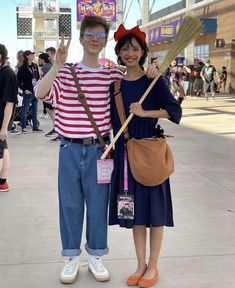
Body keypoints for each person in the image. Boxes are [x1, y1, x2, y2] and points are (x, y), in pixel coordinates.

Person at [35, 15, 158, 285]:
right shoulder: (66, 72)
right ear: (81, 39)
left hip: (101, 151)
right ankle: (71, 258)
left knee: (98, 205)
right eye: (89, 34)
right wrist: (55, 66)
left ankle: (96, 255)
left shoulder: (113, 74)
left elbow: (136, 80)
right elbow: (40, 94)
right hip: (69, 149)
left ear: (104, 41)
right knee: (70, 204)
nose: (94, 39)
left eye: (99, 35)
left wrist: (152, 71)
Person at [108, 24, 182, 287]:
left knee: (155, 212)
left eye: (135, 48)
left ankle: (153, 266)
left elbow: (174, 112)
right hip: (125, 159)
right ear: (118, 52)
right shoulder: (114, 85)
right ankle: (139, 264)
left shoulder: (154, 81)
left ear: (142, 52)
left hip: (150, 156)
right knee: (135, 214)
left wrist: (145, 113)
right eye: (125, 48)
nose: (130, 53)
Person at [0, 44, 18, 192]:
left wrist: (4, 127)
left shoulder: (8, 73)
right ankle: (2, 182)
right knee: (3, 149)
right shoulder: (3, 72)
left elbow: (10, 103)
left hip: (1, 120)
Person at [17, 50, 43, 133]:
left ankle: (35, 126)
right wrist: (24, 89)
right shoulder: (23, 68)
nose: (34, 55)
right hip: (28, 93)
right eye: (32, 54)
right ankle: (24, 127)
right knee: (25, 109)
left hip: (35, 92)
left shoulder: (35, 66)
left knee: (35, 110)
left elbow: (38, 78)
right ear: (27, 56)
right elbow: (18, 80)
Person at [38, 53, 57, 137]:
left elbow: (47, 79)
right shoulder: (51, 65)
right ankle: (56, 127)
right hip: (52, 90)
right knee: (51, 109)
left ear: (42, 59)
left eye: (39, 59)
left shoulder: (45, 67)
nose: (39, 60)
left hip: (48, 91)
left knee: (50, 109)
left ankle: (56, 127)